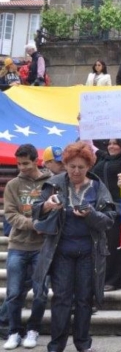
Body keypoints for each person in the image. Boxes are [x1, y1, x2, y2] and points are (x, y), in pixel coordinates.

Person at [32, 142, 116, 352]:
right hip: (61, 252)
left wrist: (91, 215)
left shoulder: (98, 187)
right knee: (60, 298)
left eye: (81, 167)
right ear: (65, 164)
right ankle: (56, 345)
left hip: (89, 253)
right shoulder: (53, 184)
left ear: (89, 166)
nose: (76, 171)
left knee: (84, 299)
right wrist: (47, 205)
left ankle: (83, 344)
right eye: (72, 166)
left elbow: (109, 220)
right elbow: (36, 211)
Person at [81, 109, 121, 292]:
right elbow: (87, 144)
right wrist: (83, 123)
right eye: (110, 143)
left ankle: (113, 280)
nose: (112, 146)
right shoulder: (100, 156)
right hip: (98, 207)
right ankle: (97, 277)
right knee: (97, 244)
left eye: (116, 143)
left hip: (119, 208)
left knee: (115, 245)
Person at [2, 144, 51, 350]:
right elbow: (11, 214)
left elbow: (56, 209)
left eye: (25, 163)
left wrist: (45, 224)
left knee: (40, 292)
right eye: (18, 163)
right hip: (18, 245)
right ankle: (13, 331)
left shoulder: (51, 182)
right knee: (13, 292)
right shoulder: (13, 184)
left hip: (42, 247)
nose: (21, 167)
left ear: (36, 160)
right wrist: (35, 224)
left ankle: (33, 329)